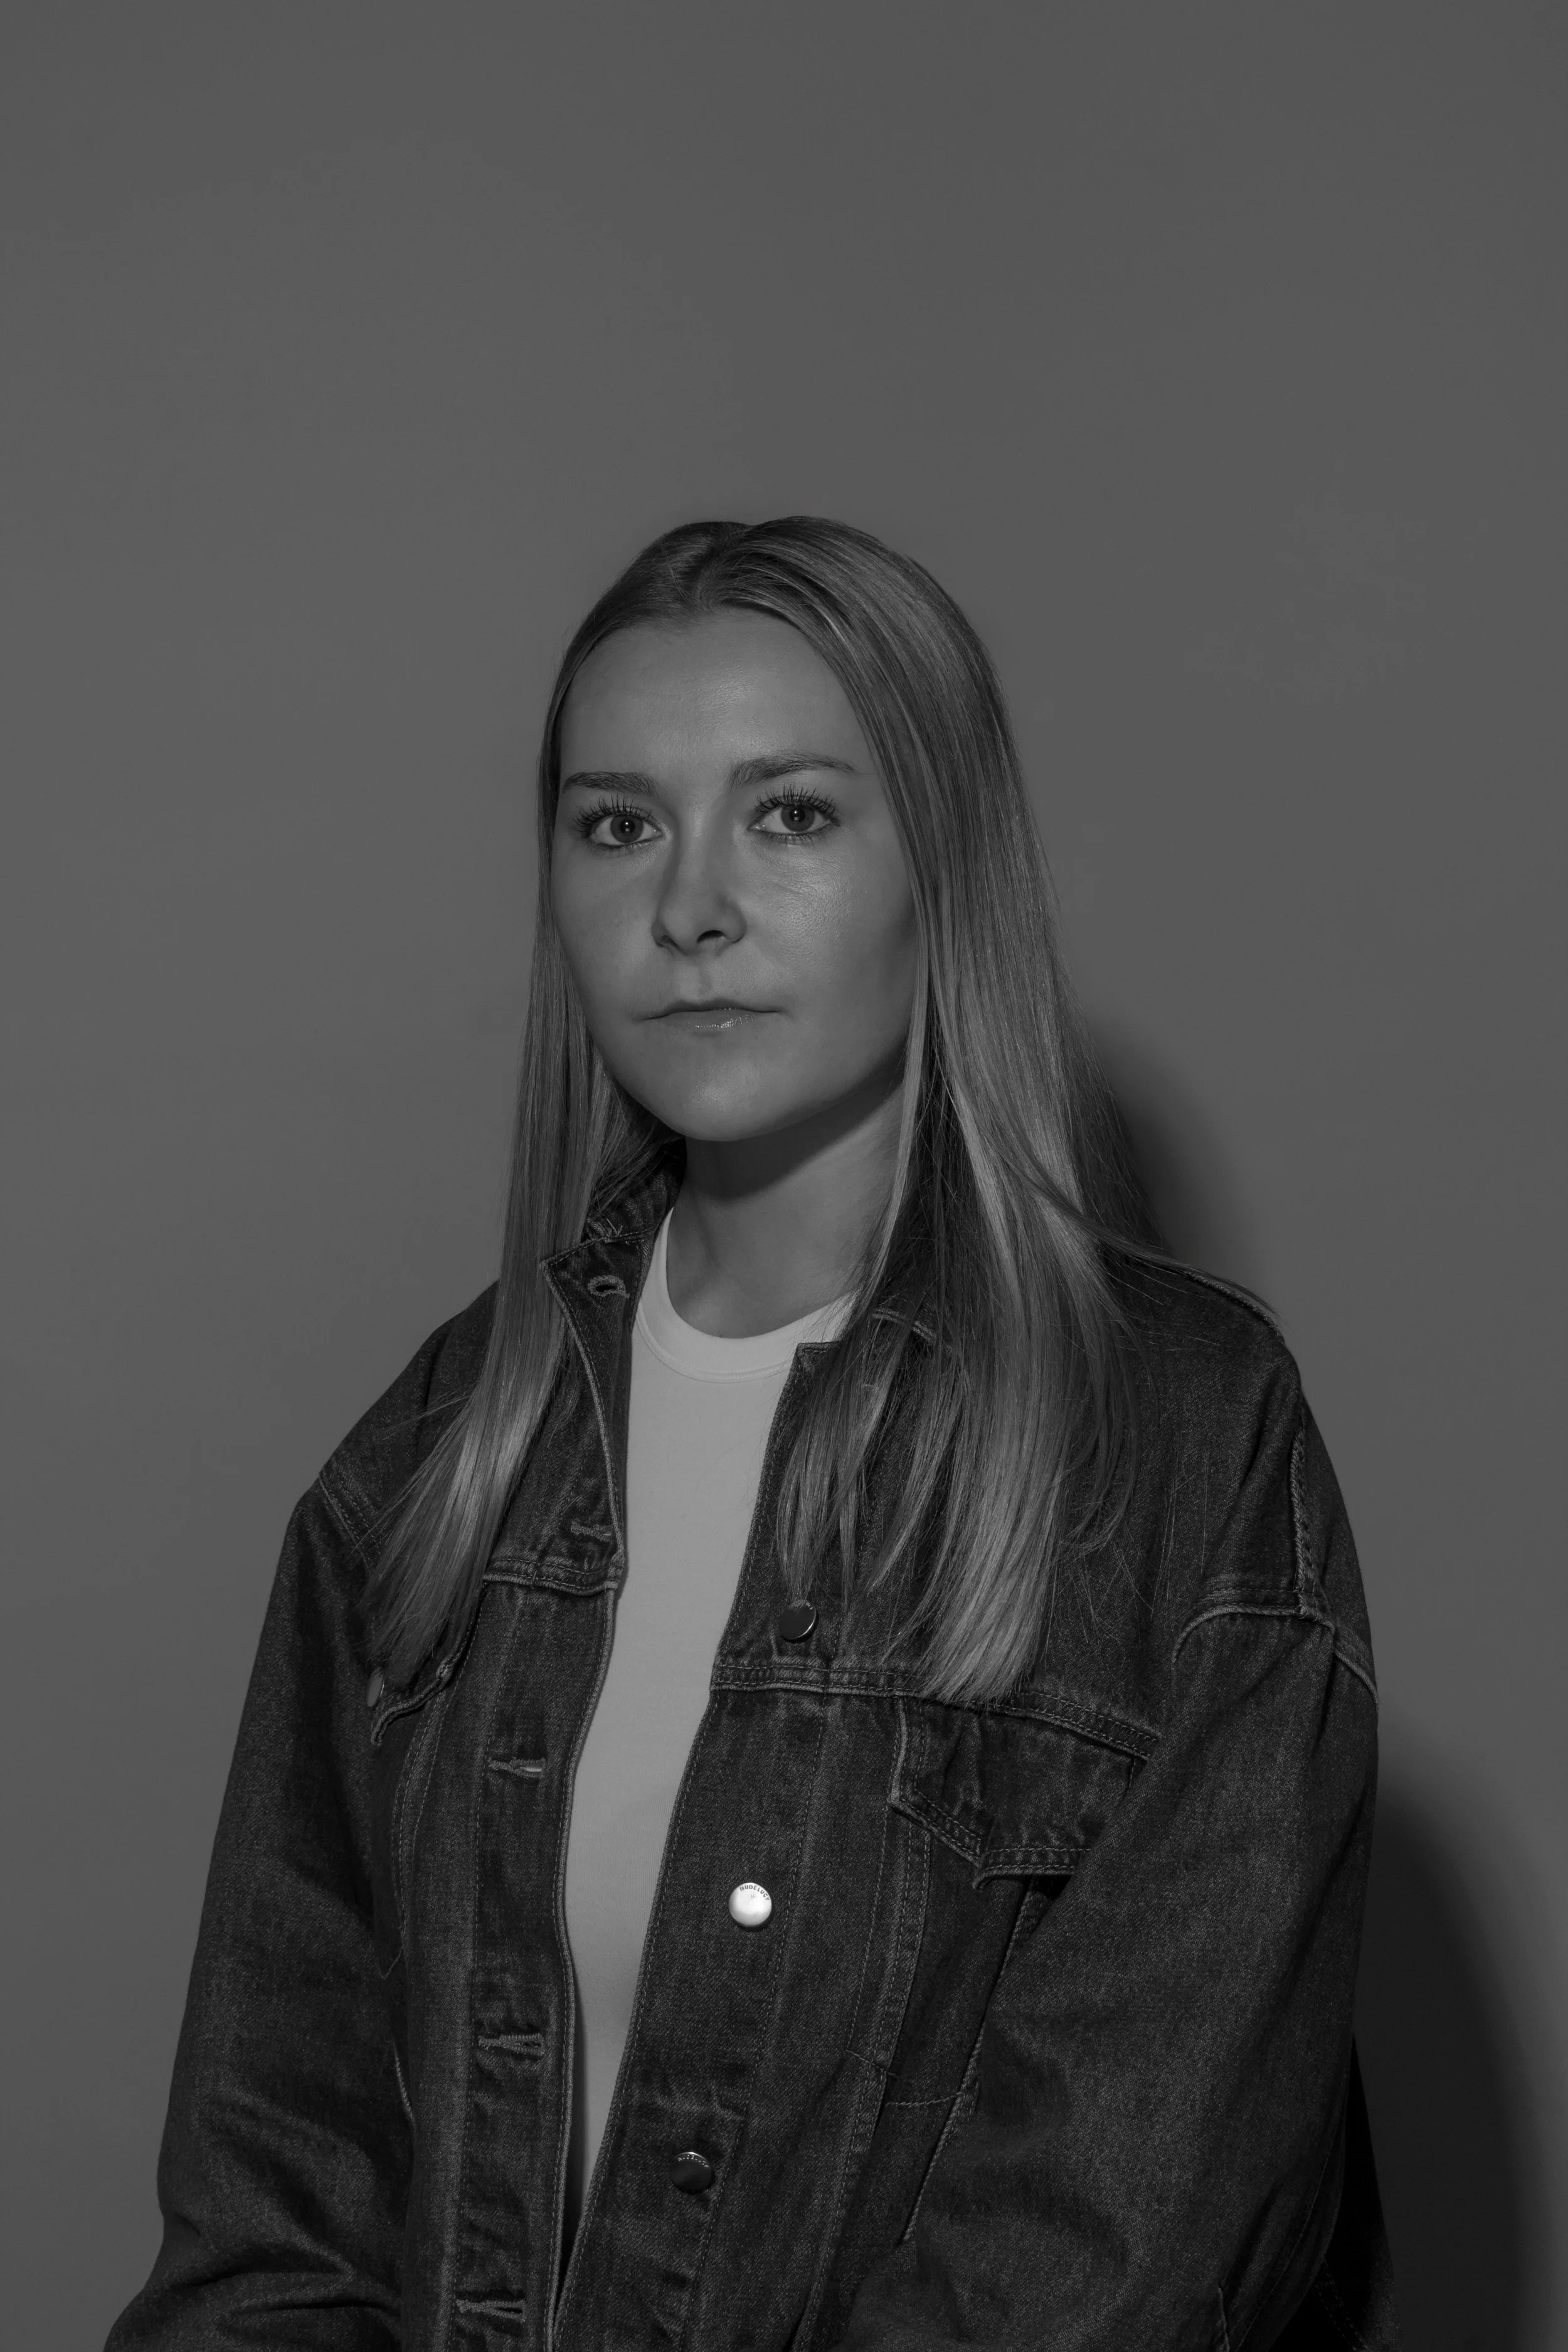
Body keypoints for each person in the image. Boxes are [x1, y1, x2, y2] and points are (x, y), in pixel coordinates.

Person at [108, 517, 1400, 2351]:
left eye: (788, 813)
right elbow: (268, 2212)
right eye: (616, 821)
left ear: (940, 866)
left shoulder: (1182, 1448)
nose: (688, 905)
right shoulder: (430, 1461)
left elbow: (1113, 2258)